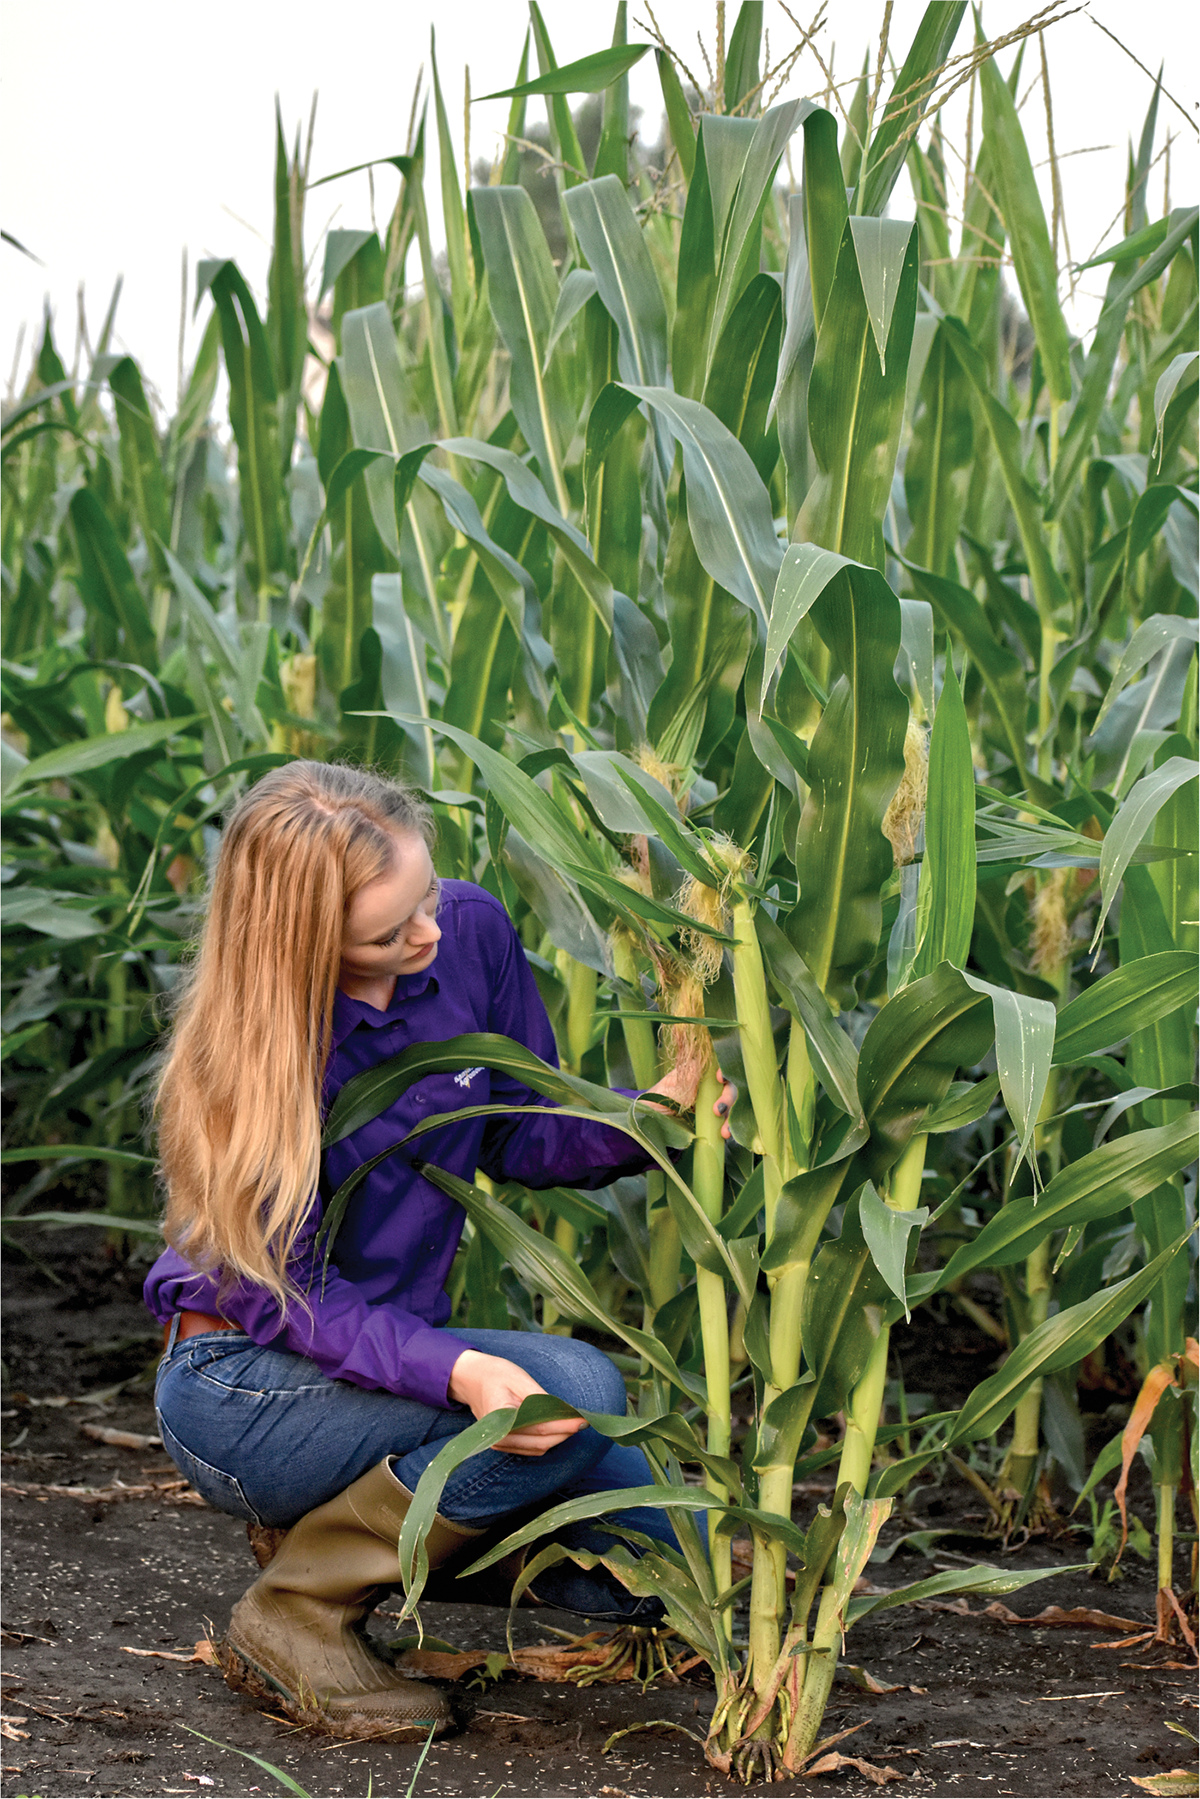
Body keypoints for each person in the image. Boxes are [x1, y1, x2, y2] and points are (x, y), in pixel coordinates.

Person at [144, 761, 732, 1742]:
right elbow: (282, 1294)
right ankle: (299, 1605)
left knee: (687, 1549)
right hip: (244, 1387)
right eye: (387, 932)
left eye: (425, 897)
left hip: (390, 1371)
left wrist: (643, 1121)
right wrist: (457, 1367)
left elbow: (517, 1126)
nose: (428, 933)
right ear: (301, 946)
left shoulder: (468, 932)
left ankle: (341, 1526)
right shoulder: (247, 1059)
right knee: (570, 1387)